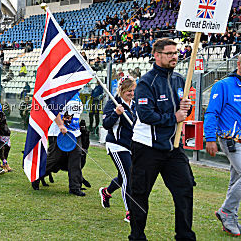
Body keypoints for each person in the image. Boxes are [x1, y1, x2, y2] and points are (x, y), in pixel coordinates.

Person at [129, 38, 195, 240]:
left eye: (176, 53)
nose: (174, 56)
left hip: (173, 147)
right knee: (140, 193)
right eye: (169, 53)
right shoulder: (146, 82)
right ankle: (137, 236)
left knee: (184, 189)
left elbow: (184, 111)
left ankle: (184, 236)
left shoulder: (179, 79)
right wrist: (173, 117)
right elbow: (146, 115)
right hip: (147, 147)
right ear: (157, 55)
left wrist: (186, 108)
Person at [204, 55, 241, 236]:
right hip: (231, 140)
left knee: (236, 180)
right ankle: (226, 211)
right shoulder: (223, 85)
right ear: (239, 64)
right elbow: (211, 112)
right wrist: (209, 138)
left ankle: (230, 218)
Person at [99, 77, 137, 223]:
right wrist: (116, 113)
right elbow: (107, 124)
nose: (132, 94)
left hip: (131, 146)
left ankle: (106, 192)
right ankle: (130, 211)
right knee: (128, 176)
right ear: (122, 90)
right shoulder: (112, 103)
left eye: (133, 90)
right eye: (129, 91)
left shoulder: (135, 104)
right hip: (116, 145)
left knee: (123, 178)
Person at [35, 92, 85, 196]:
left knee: (76, 159)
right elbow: (53, 110)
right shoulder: (63, 92)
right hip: (59, 133)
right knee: (54, 159)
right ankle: (36, 177)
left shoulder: (77, 94)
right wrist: (60, 125)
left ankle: (75, 187)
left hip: (74, 134)